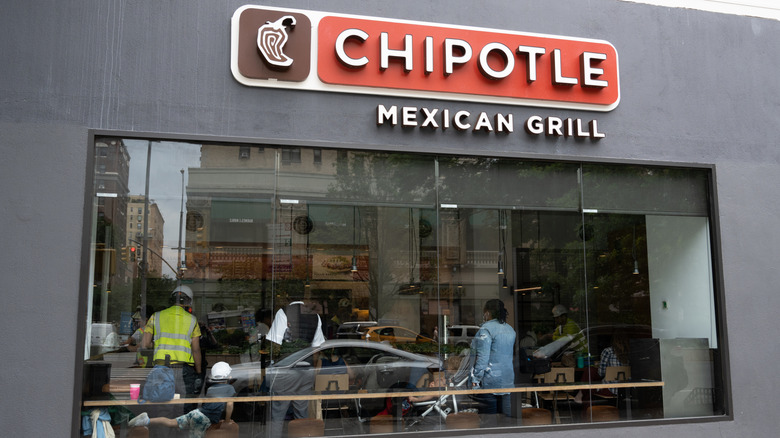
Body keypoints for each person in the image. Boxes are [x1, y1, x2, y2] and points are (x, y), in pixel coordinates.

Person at [127, 361, 236, 438]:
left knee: (171, 422)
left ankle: (147, 420)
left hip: (196, 413)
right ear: (228, 376)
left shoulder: (211, 389)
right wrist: (227, 420)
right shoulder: (230, 388)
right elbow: (230, 405)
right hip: (203, 419)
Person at [142, 285, 202, 407]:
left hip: (162, 367)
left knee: (162, 403)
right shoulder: (192, 320)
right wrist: (199, 372)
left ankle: (163, 419)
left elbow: (145, 344)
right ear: (188, 301)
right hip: (184, 369)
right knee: (185, 404)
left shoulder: (156, 316)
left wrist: (158, 344)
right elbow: (196, 350)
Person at [470, 299, 516, 422]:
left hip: (490, 380)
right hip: (507, 380)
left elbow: (483, 357)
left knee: (489, 421)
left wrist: (476, 379)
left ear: (488, 312)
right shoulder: (510, 329)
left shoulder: (486, 329)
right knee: (506, 420)